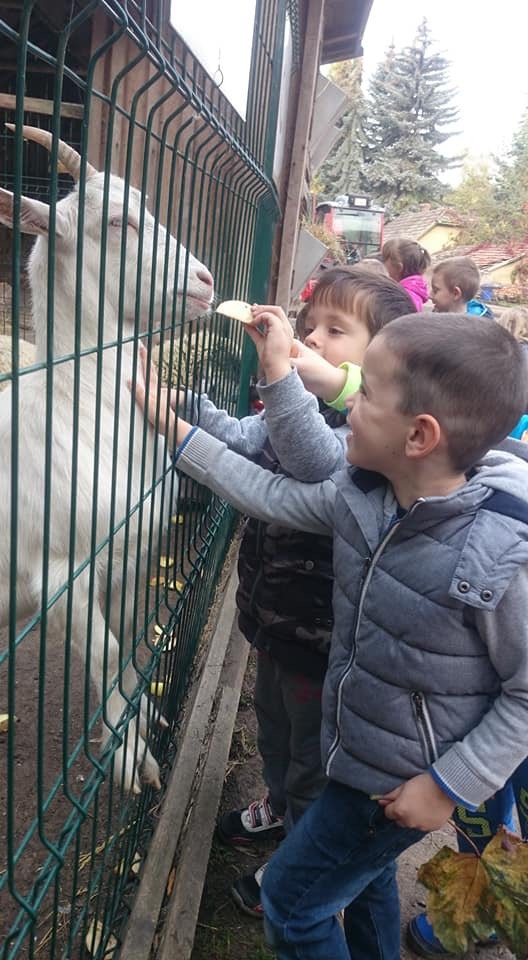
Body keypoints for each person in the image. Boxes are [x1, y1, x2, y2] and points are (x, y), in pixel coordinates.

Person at [136, 311, 528, 960]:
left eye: (364, 394)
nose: (348, 406)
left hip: (402, 779)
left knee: (292, 906)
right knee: (364, 879)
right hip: (358, 751)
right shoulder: (367, 496)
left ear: (419, 436)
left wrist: (447, 786)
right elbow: (265, 491)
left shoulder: (497, 555)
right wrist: (172, 427)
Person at [152, 268, 417, 918]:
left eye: (336, 330)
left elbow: (311, 461)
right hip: (273, 618)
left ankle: (300, 849)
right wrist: (180, 401)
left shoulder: (366, 436)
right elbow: (250, 438)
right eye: (309, 326)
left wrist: (279, 375)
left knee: (310, 758)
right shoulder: (298, 402)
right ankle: (278, 803)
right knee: (271, 727)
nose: (313, 338)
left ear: (380, 361)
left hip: (322, 643)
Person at [381, 237, 431, 310]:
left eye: (384, 260)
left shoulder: (400, 298)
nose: (382, 264)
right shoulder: (413, 291)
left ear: (398, 267)